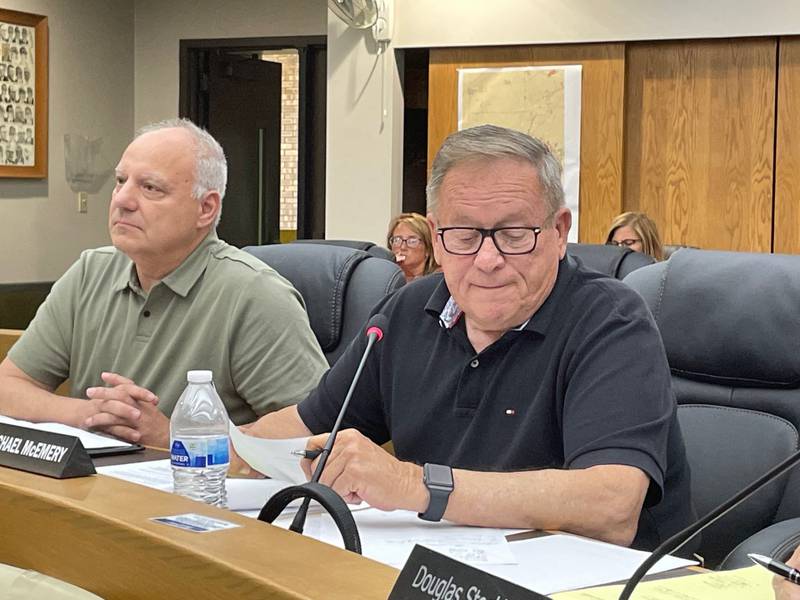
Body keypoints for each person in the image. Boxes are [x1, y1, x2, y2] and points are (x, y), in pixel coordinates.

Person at [238, 124, 696, 550]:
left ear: (559, 232)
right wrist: (205, 444)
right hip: (434, 571)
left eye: (515, 234)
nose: (488, 259)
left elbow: (612, 505)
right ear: (437, 238)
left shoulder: (610, 320)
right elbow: (303, 425)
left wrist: (410, 485)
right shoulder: (406, 313)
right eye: (464, 235)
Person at [0, 118, 329, 448]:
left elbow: (313, 434)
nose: (122, 200)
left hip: (202, 493)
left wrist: (173, 437)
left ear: (205, 208)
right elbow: (9, 386)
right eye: (120, 181)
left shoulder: (256, 296)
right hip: (92, 490)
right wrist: (90, 413)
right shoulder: (90, 272)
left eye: (150, 188)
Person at [386, 212, 438, 281]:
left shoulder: (436, 281)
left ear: (428, 249)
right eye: (397, 240)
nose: (403, 247)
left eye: (412, 241)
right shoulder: (386, 282)